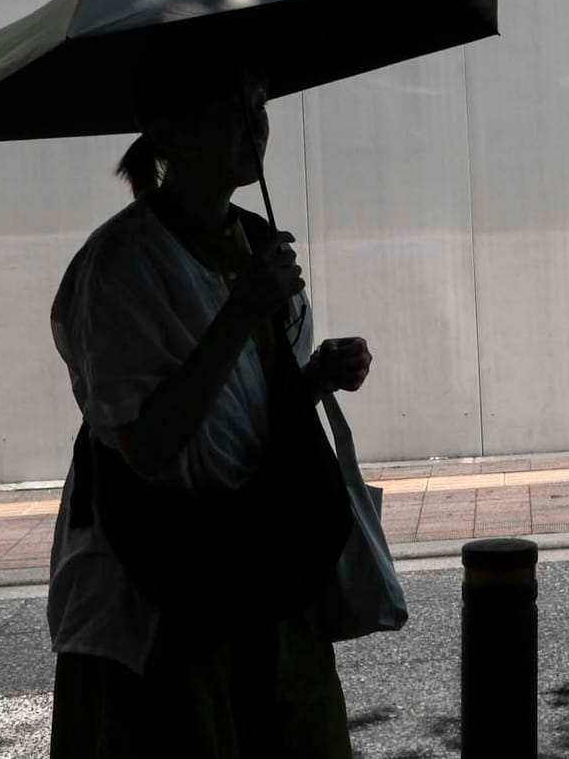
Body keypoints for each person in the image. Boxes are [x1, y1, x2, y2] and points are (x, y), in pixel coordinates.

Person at [46, 59, 375, 758]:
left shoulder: (255, 242)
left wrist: (314, 378)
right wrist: (242, 309)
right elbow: (147, 446)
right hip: (164, 587)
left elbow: (248, 405)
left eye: (261, 104)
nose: (256, 125)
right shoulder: (119, 266)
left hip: (264, 567)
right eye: (232, 109)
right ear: (167, 131)